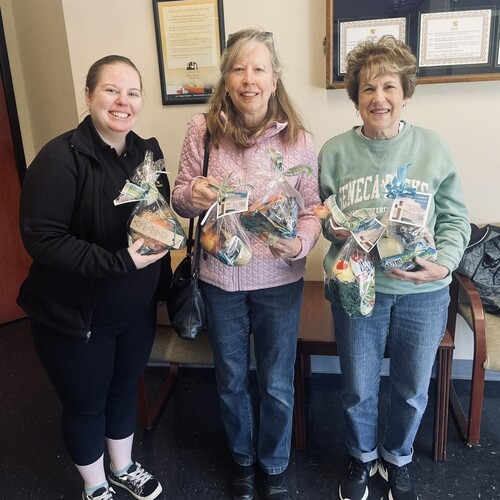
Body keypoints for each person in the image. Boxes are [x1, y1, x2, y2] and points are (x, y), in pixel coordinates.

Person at [171, 28, 321, 500]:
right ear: (226, 79)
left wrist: (299, 244)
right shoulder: (202, 131)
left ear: (274, 80)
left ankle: (273, 464)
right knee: (231, 379)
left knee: (277, 382)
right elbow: (178, 198)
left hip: (279, 280)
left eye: (259, 69)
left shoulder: (299, 140)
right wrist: (192, 195)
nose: (249, 79)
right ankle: (241, 458)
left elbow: (311, 210)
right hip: (220, 280)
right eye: (239, 69)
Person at [318, 35, 471, 500]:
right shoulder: (334, 152)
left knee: (411, 388)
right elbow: (325, 217)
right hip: (357, 289)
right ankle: (361, 456)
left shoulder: (433, 147)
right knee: (358, 386)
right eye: (367, 88)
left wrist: (443, 265)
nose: (378, 98)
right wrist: (333, 229)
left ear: (405, 94)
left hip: (422, 294)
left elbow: (455, 218)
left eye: (389, 86)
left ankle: (397, 458)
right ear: (355, 98)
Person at [17, 55, 169, 500]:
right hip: (76, 317)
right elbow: (43, 238)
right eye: (111, 90)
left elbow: (156, 216)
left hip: (134, 312)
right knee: (85, 405)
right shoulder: (60, 158)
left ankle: (122, 466)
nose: (123, 101)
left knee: (123, 390)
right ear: (88, 95)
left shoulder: (146, 153)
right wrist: (119, 263)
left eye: (132, 93)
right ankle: (95, 484)